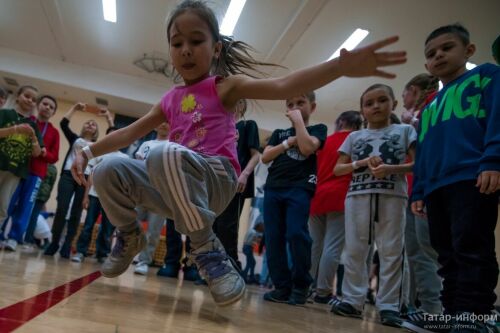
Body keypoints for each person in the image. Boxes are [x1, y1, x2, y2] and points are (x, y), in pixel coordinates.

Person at [71, 0, 406, 307]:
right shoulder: (170, 99)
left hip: (214, 182)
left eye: (196, 41)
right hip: (175, 188)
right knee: (108, 168)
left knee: (161, 152)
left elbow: (284, 86)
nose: (186, 50)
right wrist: (87, 151)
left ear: (216, 48)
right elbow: (130, 132)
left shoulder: (224, 86)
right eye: (177, 43)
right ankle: (129, 236)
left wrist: (339, 67)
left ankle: (206, 250)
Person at [408, 24, 499, 333]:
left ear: (469, 50)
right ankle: (452, 315)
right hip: (435, 187)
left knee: (472, 247)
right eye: (431, 54)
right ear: (426, 65)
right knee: (446, 256)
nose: (439, 56)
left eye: (447, 48)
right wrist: (418, 190)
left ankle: (476, 316)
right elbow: (424, 151)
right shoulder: (429, 106)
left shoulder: (486, 76)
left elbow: (497, 120)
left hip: (472, 177)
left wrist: (493, 160)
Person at [331, 83, 417, 327]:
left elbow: (417, 164)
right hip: (357, 197)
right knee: (355, 250)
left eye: (382, 100)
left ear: (394, 104)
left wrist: (390, 169)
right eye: (369, 103)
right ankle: (352, 301)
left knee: (391, 251)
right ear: (362, 110)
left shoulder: (405, 131)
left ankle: (390, 306)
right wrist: (361, 163)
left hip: (393, 196)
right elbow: (338, 169)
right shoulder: (353, 136)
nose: (376, 106)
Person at [261, 92, 327, 305]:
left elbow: (307, 148)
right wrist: (287, 143)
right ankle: (281, 286)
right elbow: (265, 157)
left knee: (296, 233)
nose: (295, 107)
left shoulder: (318, 130)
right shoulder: (279, 133)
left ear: (313, 107)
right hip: (273, 188)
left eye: (301, 103)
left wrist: (298, 122)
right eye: (291, 105)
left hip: (299, 188)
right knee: (273, 237)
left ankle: (301, 284)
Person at [309, 110, 362, 305]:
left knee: (314, 246)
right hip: (341, 195)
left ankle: (305, 286)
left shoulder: (325, 141)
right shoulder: (357, 139)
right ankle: (322, 291)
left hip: (317, 195)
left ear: (339, 122)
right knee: (332, 246)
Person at [400, 74, 442, 317]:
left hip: (428, 187)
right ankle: (425, 307)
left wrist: (413, 124)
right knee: (417, 251)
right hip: (416, 188)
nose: (402, 98)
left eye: (404, 93)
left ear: (413, 90)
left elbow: (431, 145)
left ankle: (435, 311)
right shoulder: (418, 115)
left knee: (427, 250)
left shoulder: (434, 106)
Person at [44, 103, 110, 258]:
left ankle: (67, 245)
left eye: (93, 124)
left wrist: (108, 117)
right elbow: (63, 124)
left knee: (76, 212)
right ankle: (54, 242)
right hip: (68, 174)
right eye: (88, 123)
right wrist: (74, 108)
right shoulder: (75, 139)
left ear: (96, 131)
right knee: (61, 208)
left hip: (84, 178)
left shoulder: (97, 145)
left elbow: (113, 134)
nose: (90, 125)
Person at [1, 95, 60, 251]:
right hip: (17, 168)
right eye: (45, 104)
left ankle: (14, 238)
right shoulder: (25, 120)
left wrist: (43, 153)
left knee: (25, 206)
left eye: (51, 107)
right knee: (7, 202)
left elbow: (54, 157)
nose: (47, 107)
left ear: (53, 112)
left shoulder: (54, 132)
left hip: (36, 174)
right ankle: (1, 234)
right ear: (38, 105)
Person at [212, 99, 260, 268]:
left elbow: (256, 155)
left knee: (227, 227)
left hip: (236, 184)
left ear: (242, 105)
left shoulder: (248, 125)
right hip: (218, 184)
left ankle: (232, 266)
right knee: (214, 227)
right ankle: (215, 268)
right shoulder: (220, 127)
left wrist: (244, 174)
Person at [72, 127, 128, 263]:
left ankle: (103, 254)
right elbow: (90, 175)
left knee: (108, 228)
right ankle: (81, 252)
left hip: (112, 200)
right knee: (88, 225)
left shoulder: (125, 158)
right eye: (110, 136)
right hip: (93, 196)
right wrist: (86, 196)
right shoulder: (98, 154)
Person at [0, 85, 44, 248]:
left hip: (15, 172)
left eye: (34, 99)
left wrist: (33, 136)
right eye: (27, 96)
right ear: (18, 96)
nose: (30, 100)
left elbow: (37, 152)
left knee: (3, 207)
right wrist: (15, 129)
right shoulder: (4, 114)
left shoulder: (33, 126)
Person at [24, 164, 58, 246]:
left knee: (31, 216)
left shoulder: (42, 166)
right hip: (43, 194)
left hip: (34, 190)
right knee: (34, 217)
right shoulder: (53, 169)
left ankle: (28, 238)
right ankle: (29, 239)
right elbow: (51, 184)